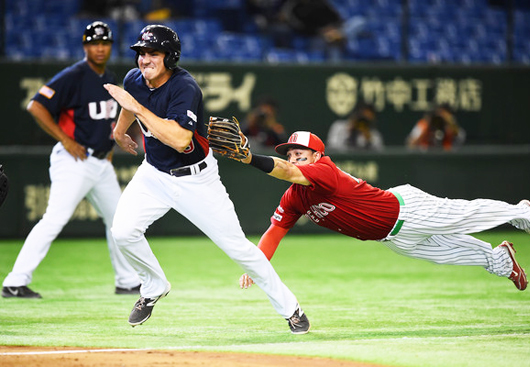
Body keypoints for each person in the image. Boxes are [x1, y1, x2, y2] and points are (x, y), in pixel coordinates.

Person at [102, 24, 310, 334]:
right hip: (153, 174)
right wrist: (120, 130)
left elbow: (178, 138)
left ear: (170, 57)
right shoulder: (135, 79)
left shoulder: (184, 88)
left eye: (153, 53)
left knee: (239, 249)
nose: (144, 59)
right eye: (140, 53)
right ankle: (154, 285)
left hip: (196, 180)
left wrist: (136, 108)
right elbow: (130, 103)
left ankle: (291, 308)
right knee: (122, 232)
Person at [225, 131, 530, 293]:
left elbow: (286, 171)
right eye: (291, 154)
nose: (295, 158)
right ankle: (500, 261)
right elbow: (275, 231)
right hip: (390, 237)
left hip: (406, 211)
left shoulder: (324, 170)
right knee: (449, 253)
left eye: (300, 153)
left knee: (461, 215)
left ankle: (523, 213)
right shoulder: (294, 197)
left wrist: (251, 158)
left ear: (316, 155)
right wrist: (256, 265)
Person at [2, 21, 141, 299]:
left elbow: (105, 120)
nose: (99, 48)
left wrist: (108, 146)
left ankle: (127, 280)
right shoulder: (74, 75)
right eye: (94, 43)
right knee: (54, 219)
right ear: (85, 45)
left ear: (111, 46)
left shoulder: (109, 77)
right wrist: (64, 139)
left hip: (101, 163)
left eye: (104, 43)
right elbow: (36, 105)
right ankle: (14, 282)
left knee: (119, 220)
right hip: (73, 160)